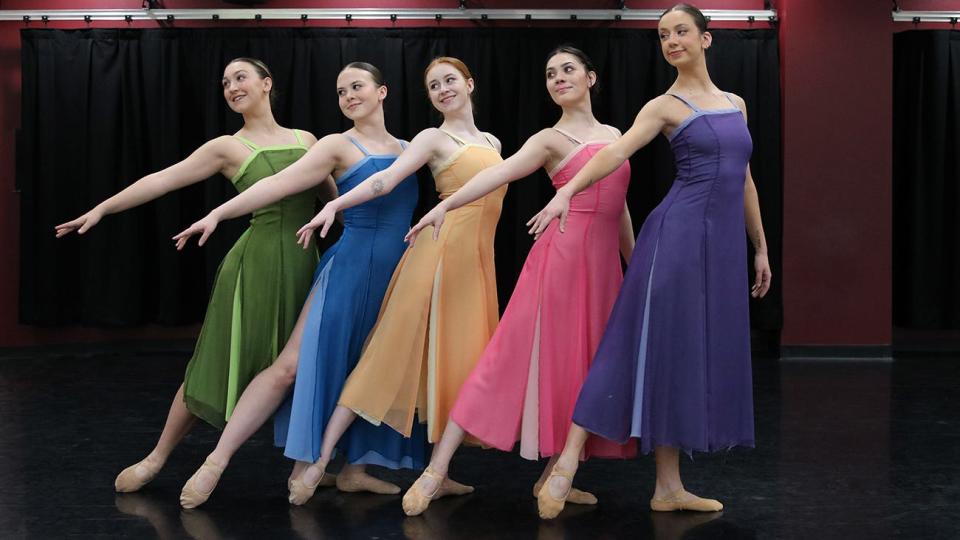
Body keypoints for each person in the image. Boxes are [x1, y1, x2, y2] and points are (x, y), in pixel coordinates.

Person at [527, 4, 772, 518]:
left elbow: (745, 179)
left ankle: (668, 487)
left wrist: (761, 246)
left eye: (681, 31)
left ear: (706, 39)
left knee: (681, 357)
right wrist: (565, 192)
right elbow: (614, 154)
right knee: (633, 346)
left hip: (722, 248)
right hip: (676, 239)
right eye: (663, 35)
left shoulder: (736, 103)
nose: (672, 41)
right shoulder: (664, 106)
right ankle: (567, 463)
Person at [55, 58, 324, 495]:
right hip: (252, 268)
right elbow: (162, 180)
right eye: (225, 82)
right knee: (213, 365)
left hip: (305, 266)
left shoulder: (307, 140)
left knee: (303, 368)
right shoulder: (225, 147)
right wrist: (102, 208)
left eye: (240, 78)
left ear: (266, 83)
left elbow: (334, 197)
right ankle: (156, 458)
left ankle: (306, 467)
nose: (231, 87)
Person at [171, 62, 428, 508]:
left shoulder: (411, 147)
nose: (348, 96)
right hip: (348, 269)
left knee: (368, 370)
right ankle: (216, 460)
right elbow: (278, 183)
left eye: (357, 86)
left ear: (382, 91)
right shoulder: (334, 145)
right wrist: (219, 213)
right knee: (291, 365)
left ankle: (352, 470)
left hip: (397, 276)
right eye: (341, 90)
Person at [399, 45, 637, 517]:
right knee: (504, 361)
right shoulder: (548, 139)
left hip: (604, 269)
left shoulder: (616, 135)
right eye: (550, 74)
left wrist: (632, 265)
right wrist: (444, 205)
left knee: (585, 365)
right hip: (560, 260)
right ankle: (434, 471)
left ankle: (555, 477)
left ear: (591, 78)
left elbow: (622, 206)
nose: (559, 78)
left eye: (568, 70)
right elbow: (499, 174)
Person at [283, 57, 505, 506]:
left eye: (449, 81)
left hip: (474, 268)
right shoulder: (430, 138)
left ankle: (436, 472)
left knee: (452, 369)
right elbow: (385, 180)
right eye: (433, 86)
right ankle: (321, 461)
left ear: (469, 83)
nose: (443, 89)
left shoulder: (492, 141)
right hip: (434, 258)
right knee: (383, 359)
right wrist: (333, 205)